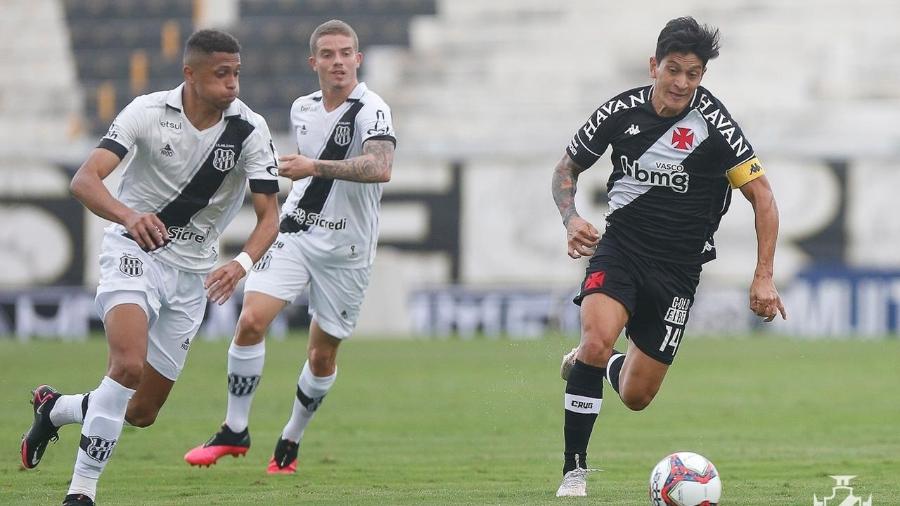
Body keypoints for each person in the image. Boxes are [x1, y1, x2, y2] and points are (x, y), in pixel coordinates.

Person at [19, 29, 280, 506]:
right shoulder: (146, 112)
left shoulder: (250, 130)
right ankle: (81, 492)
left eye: (236, 74)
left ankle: (56, 409)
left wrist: (241, 264)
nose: (233, 85)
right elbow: (85, 179)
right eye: (222, 74)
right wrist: (128, 215)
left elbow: (269, 217)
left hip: (193, 274)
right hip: (133, 251)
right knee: (126, 366)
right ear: (191, 75)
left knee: (140, 411)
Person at [551, 17, 786, 497]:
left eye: (693, 73)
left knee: (637, 395)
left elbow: (763, 196)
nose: (681, 82)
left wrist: (764, 275)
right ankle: (574, 472)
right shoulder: (621, 111)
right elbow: (567, 167)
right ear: (654, 65)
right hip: (620, 249)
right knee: (597, 340)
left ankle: (594, 363)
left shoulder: (716, 127)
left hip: (679, 270)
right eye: (673, 69)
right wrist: (571, 217)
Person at [183, 19, 395, 474]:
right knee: (251, 320)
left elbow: (380, 167)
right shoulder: (303, 108)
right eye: (328, 54)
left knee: (321, 356)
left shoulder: (373, 108)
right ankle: (234, 429)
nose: (337, 62)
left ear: (357, 59)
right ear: (313, 61)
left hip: (347, 251)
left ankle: (291, 437)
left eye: (345, 54)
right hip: (296, 232)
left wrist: (313, 166)